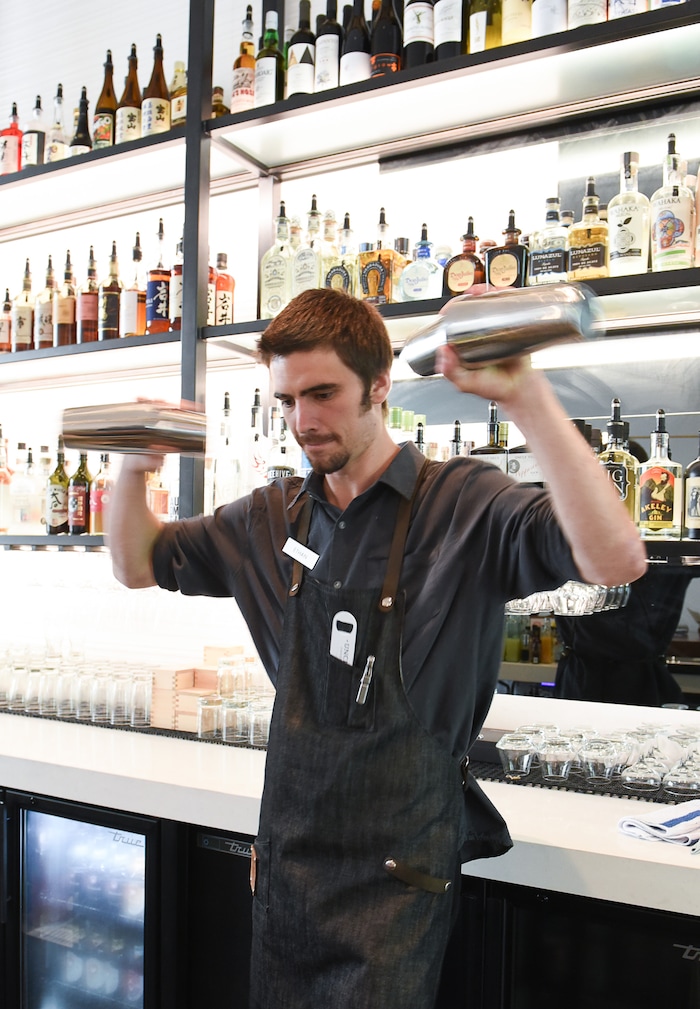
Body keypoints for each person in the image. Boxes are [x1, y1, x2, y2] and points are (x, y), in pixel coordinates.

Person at [108, 287, 646, 1009]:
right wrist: (134, 464)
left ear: (380, 385)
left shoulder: (463, 506)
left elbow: (616, 558)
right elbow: (136, 560)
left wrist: (524, 397)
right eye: (288, 399)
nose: (305, 420)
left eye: (323, 393)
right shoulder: (270, 518)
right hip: (288, 876)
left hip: (396, 888)